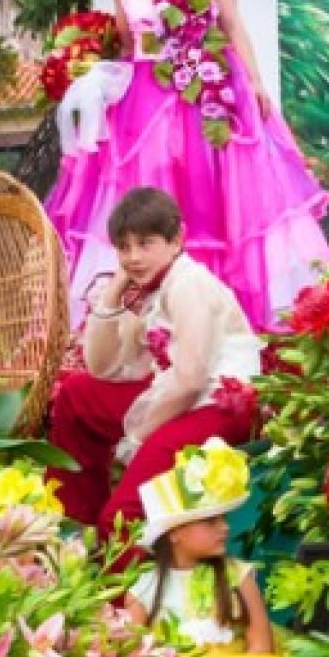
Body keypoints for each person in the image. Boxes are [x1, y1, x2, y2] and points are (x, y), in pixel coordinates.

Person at [47, 0, 329, 332]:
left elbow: (233, 23)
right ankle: (157, 325)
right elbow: (129, 44)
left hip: (208, 96)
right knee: (152, 197)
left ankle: (225, 319)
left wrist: (257, 82)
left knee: (214, 201)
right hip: (144, 107)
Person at [47, 186, 260, 541]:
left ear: (177, 241)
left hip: (217, 405)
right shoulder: (154, 287)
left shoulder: (189, 284)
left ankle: (121, 589)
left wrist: (139, 435)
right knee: (76, 394)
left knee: (122, 517)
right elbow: (100, 367)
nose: (133, 257)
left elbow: (191, 379)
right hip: (181, 397)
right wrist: (114, 288)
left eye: (145, 244)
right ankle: (73, 525)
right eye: (124, 247)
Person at [123, 439, 294, 657]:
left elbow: (260, 646)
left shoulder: (236, 576)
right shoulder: (144, 589)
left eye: (223, 518)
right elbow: (131, 655)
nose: (225, 527)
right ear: (175, 532)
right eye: (210, 521)